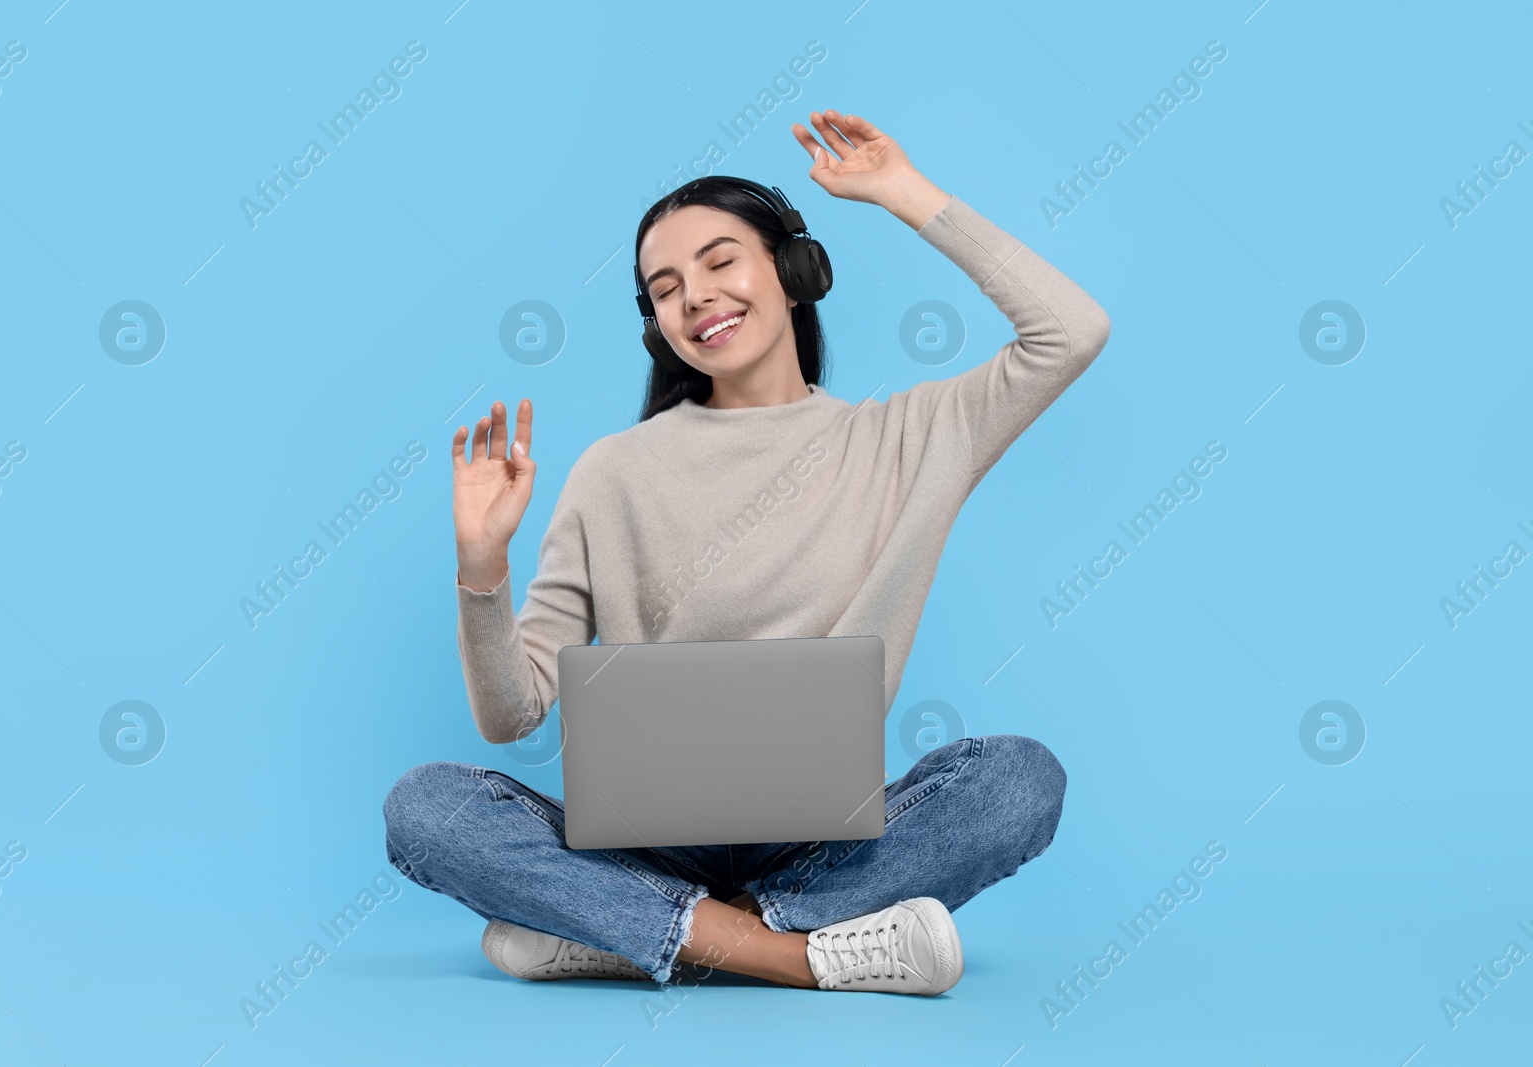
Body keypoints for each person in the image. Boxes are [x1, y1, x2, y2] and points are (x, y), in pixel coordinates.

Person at [383, 109, 1111, 995]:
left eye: (721, 261)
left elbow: (1070, 330)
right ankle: (794, 953)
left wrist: (902, 193)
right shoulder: (612, 470)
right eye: (664, 287)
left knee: (1017, 780)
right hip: (646, 836)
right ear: (656, 324)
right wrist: (483, 568)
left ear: (795, 272)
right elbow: (511, 715)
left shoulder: (911, 439)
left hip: (819, 841)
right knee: (426, 809)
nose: (695, 296)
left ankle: (638, 931)